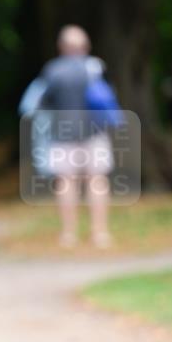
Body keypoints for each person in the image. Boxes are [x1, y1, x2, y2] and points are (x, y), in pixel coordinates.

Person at [38, 25, 116, 249]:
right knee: (98, 181)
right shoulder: (96, 67)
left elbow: (43, 102)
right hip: (95, 133)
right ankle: (100, 233)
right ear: (85, 46)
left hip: (63, 135)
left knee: (66, 182)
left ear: (62, 47)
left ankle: (69, 235)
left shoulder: (53, 70)